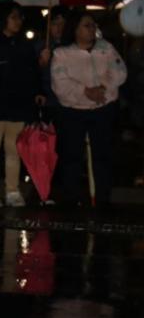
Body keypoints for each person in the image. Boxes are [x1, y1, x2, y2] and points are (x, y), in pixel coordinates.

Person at [50, 10, 127, 206]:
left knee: (102, 155)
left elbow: (119, 72)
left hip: (103, 108)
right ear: (75, 29)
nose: (91, 29)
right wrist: (85, 91)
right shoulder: (62, 53)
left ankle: (102, 199)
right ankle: (70, 199)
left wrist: (102, 89)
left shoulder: (106, 49)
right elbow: (60, 83)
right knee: (71, 155)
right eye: (86, 25)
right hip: (73, 111)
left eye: (93, 25)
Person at [0, 2, 44, 207]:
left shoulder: (25, 46)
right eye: (13, 17)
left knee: (14, 150)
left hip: (18, 106)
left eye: (20, 17)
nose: (18, 21)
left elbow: (33, 74)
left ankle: (12, 190)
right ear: (3, 19)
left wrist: (37, 92)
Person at [36, 6, 68, 123]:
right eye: (55, 24)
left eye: (63, 24)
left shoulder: (72, 46)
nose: (59, 28)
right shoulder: (41, 46)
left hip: (68, 101)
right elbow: (32, 73)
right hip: (47, 99)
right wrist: (42, 63)